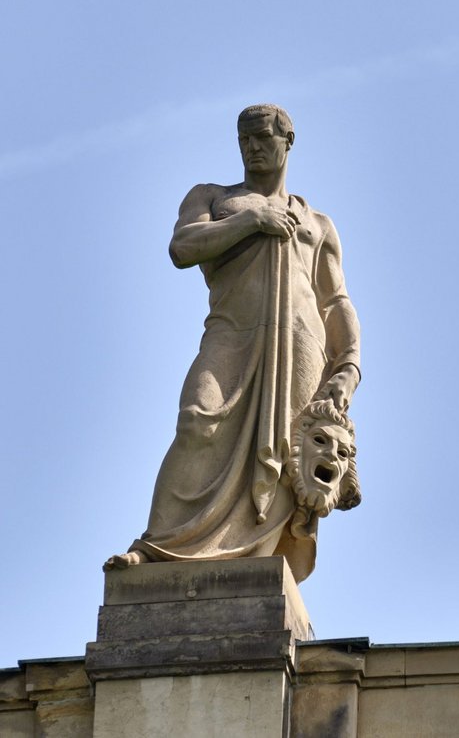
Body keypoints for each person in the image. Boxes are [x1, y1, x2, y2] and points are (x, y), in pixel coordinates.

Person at [104, 104, 361, 581]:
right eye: (244, 140)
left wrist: (349, 365)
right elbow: (183, 247)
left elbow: (336, 301)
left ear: (289, 141)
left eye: (263, 138)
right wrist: (252, 220)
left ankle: (260, 559)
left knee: (285, 452)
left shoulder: (317, 223)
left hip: (300, 348)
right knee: (198, 420)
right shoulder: (213, 198)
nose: (252, 148)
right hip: (231, 333)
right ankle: (159, 546)